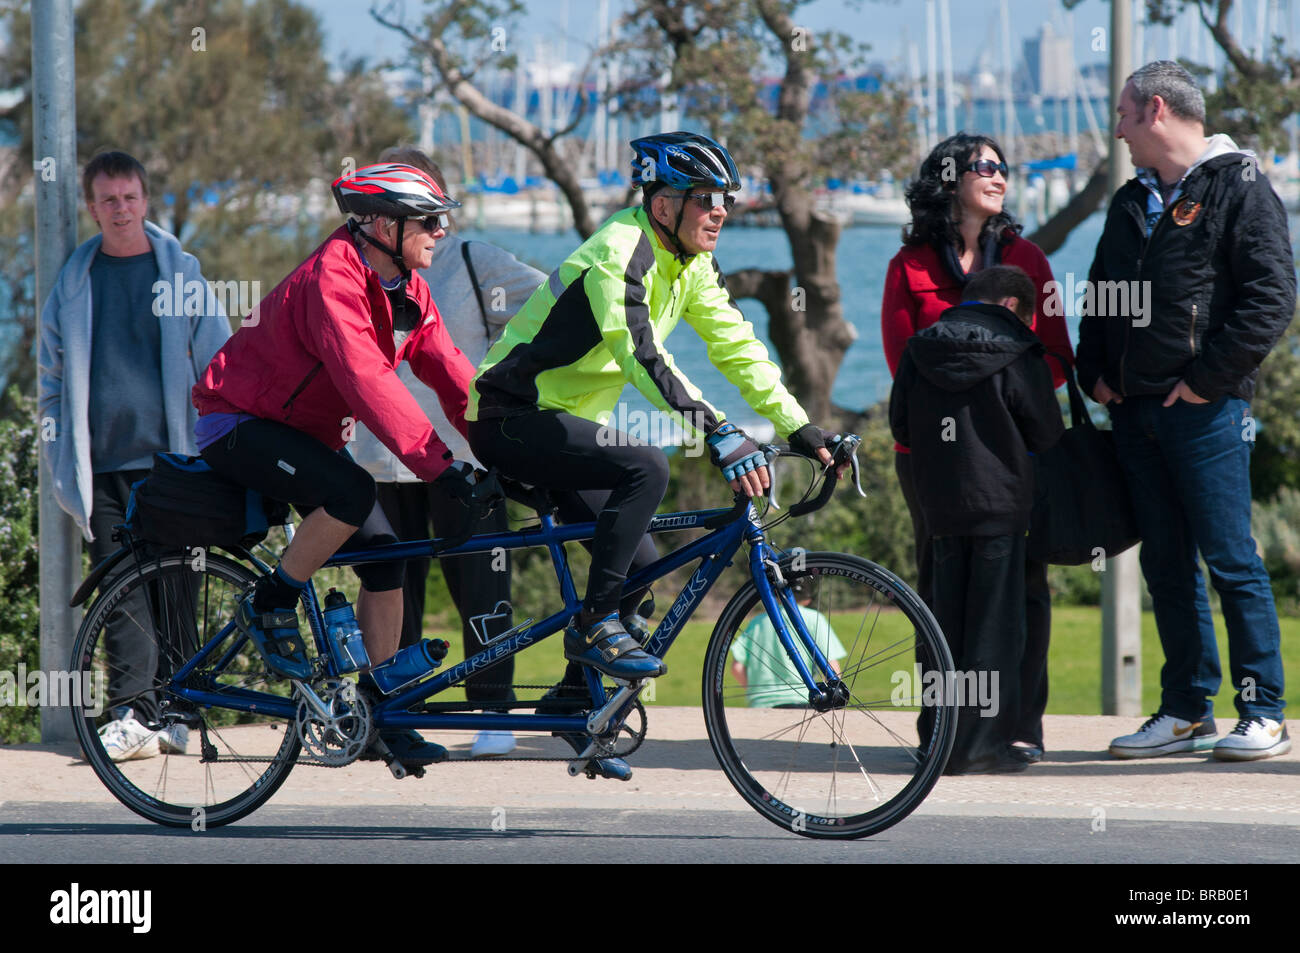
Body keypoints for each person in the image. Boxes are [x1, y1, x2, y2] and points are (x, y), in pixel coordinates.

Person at [466, 131, 842, 713]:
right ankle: (594, 626)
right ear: (662, 203)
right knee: (645, 462)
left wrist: (798, 426)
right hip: (511, 416)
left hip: (569, 424)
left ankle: (574, 705)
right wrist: (718, 431)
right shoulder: (619, 253)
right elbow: (642, 357)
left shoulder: (691, 262)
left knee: (644, 565)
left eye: (727, 199)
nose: (721, 210)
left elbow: (737, 348)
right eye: (706, 197)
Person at [192, 163, 477, 767]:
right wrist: (440, 467)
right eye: (429, 220)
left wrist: (506, 443)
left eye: (442, 219)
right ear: (382, 224)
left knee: (386, 555)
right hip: (239, 423)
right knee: (350, 491)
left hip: (305, 436)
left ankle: (380, 711)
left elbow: (453, 375)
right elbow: (367, 381)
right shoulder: (334, 277)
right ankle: (271, 601)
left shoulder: (407, 289)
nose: (441, 230)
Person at [1077, 61, 1294, 762]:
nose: (1116, 129)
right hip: (1134, 413)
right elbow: (1100, 296)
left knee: (1232, 559)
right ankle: (1183, 710)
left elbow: (1271, 300)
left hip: (1206, 413)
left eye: (1123, 114)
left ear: (1157, 110)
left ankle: (1262, 710)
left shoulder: (1240, 185)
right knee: (1166, 564)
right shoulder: (1128, 201)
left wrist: (1205, 382)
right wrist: (1096, 376)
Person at [881, 132, 1073, 763]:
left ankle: (1018, 729)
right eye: (983, 167)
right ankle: (943, 732)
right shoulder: (908, 266)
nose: (998, 176)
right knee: (938, 593)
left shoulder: (1030, 260)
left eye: (1003, 167)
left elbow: (1054, 358)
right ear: (949, 178)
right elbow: (901, 361)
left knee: (1025, 591)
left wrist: (997, 407)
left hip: (1012, 460)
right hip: (932, 465)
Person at [350, 146, 545, 759]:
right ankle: (396, 713)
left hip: (462, 455)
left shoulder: (471, 259)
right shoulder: (357, 266)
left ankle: (493, 713)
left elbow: (547, 311)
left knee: (483, 586)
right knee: (391, 587)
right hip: (380, 457)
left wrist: (502, 388)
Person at [38, 150, 231, 762]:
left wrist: (219, 448)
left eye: (129, 198)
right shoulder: (74, 282)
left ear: (144, 201)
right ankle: (132, 713)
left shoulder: (182, 274)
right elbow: (51, 379)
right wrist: (60, 451)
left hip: (173, 464)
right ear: (92, 208)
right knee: (121, 592)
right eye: (108, 200)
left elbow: (219, 364)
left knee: (178, 586)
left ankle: (178, 714)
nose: (120, 209)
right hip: (103, 469)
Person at [729, 577, 845, 708]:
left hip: (761, 703)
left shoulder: (757, 621)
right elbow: (831, 666)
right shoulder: (815, 619)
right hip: (804, 699)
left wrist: (756, 693)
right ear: (808, 599)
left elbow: (737, 668)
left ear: (775, 595)